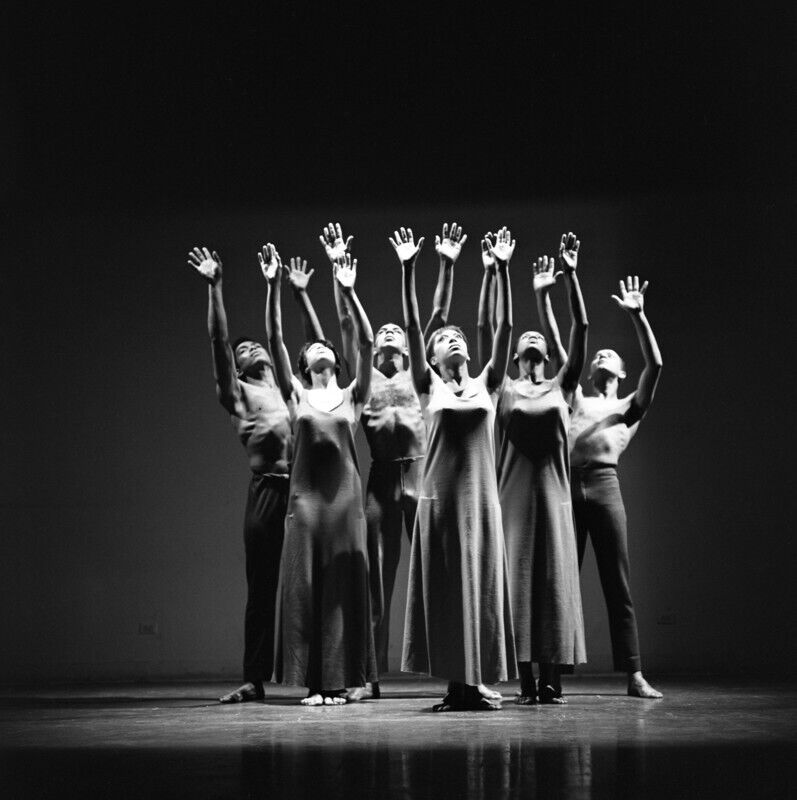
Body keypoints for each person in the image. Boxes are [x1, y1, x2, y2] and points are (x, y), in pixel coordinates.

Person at [319, 221, 464, 699]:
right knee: (375, 584)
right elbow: (346, 323)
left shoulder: (421, 375)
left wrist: (443, 262)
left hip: (422, 472)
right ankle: (369, 678)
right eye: (378, 329)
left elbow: (435, 313)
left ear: (406, 343)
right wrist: (340, 268)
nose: (385, 330)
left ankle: (458, 676)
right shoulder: (364, 382)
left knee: (441, 578)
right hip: (382, 479)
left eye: (394, 329)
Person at [187, 246, 324, 704]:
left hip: (305, 491)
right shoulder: (240, 396)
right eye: (241, 349)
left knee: (315, 585)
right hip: (267, 492)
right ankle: (253, 678)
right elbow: (217, 343)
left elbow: (315, 347)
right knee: (262, 588)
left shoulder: (293, 390)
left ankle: (327, 674)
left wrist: (276, 288)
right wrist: (215, 287)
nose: (250, 346)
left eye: (254, 343)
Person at [394, 225, 517, 711]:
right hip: (441, 500)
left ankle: (473, 681)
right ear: (433, 355)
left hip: (482, 500)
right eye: (445, 338)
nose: (454, 339)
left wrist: (502, 270)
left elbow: (504, 330)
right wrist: (409, 270)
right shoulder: (429, 388)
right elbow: (411, 327)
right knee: (449, 591)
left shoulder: (488, 382)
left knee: (480, 586)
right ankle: (457, 685)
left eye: (459, 336)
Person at [263, 243, 377, 705]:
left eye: (323, 346)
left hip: (346, 503)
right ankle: (315, 684)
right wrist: (273, 287)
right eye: (309, 349)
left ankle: (340, 683)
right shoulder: (296, 396)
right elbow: (275, 340)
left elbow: (366, 343)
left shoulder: (354, 395)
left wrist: (349, 291)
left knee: (342, 592)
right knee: (306, 588)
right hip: (305, 503)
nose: (316, 349)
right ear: (305, 363)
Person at [543, 273, 663, 699]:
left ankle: (633, 674)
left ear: (621, 371)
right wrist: (547, 295)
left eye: (612, 355)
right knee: (562, 583)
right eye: (599, 355)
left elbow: (657, 365)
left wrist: (638, 316)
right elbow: (562, 344)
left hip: (604, 484)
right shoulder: (575, 396)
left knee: (617, 582)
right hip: (567, 486)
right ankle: (553, 674)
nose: (602, 356)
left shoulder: (630, 406)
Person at [495, 235, 588, 705]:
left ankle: (553, 678)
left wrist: (564, 280)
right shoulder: (504, 387)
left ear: (549, 354)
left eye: (539, 339)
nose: (531, 339)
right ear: (513, 355)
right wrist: (503, 274)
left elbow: (581, 328)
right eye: (524, 340)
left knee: (552, 582)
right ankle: (525, 681)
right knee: (518, 581)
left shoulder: (561, 385)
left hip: (553, 494)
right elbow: (499, 324)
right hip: (512, 495)